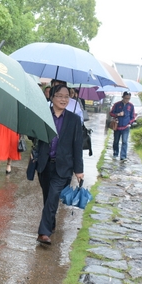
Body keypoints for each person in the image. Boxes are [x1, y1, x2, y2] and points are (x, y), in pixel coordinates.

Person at [33, 84, 84, 245]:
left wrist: (79, 170)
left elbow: (77, 145)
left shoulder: (74, 120)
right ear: (52, 97)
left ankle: (43, 232)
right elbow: (33, 136)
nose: (64, 99)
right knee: (48, 197)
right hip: (44, 164)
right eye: (60, 96)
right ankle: (51, 223)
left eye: (67, 96)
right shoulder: (43, 115)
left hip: (64, 166)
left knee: (54, 196)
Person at [109, 91, 137, 161]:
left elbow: (133, 116)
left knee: (124, 141)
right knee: (116, 141)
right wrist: (118, 114)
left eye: (128, 98)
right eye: (126, 98)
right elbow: (111, 113)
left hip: (126, 127)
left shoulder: (131, 106)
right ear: (122, 97)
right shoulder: (117, 104)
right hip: (117, 126)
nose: (127, 100)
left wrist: (129, 123)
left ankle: (123, 156)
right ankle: (115, 154)